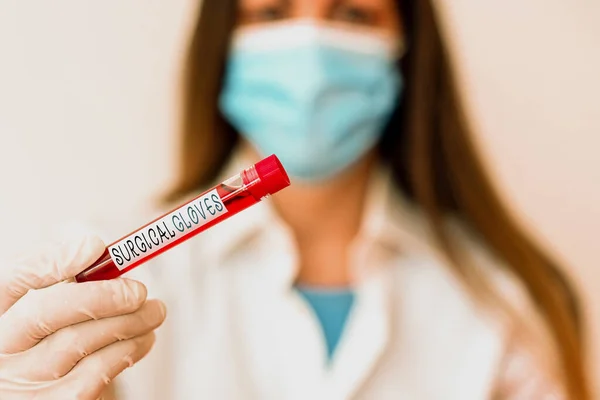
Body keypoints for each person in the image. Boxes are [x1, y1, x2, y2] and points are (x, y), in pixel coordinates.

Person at [0, 0, 590, 399]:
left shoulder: (505, 295)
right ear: (224, 42)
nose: (309, 51)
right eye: (274, 11)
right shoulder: (107, 279)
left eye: (352, 12)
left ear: (410, 51)